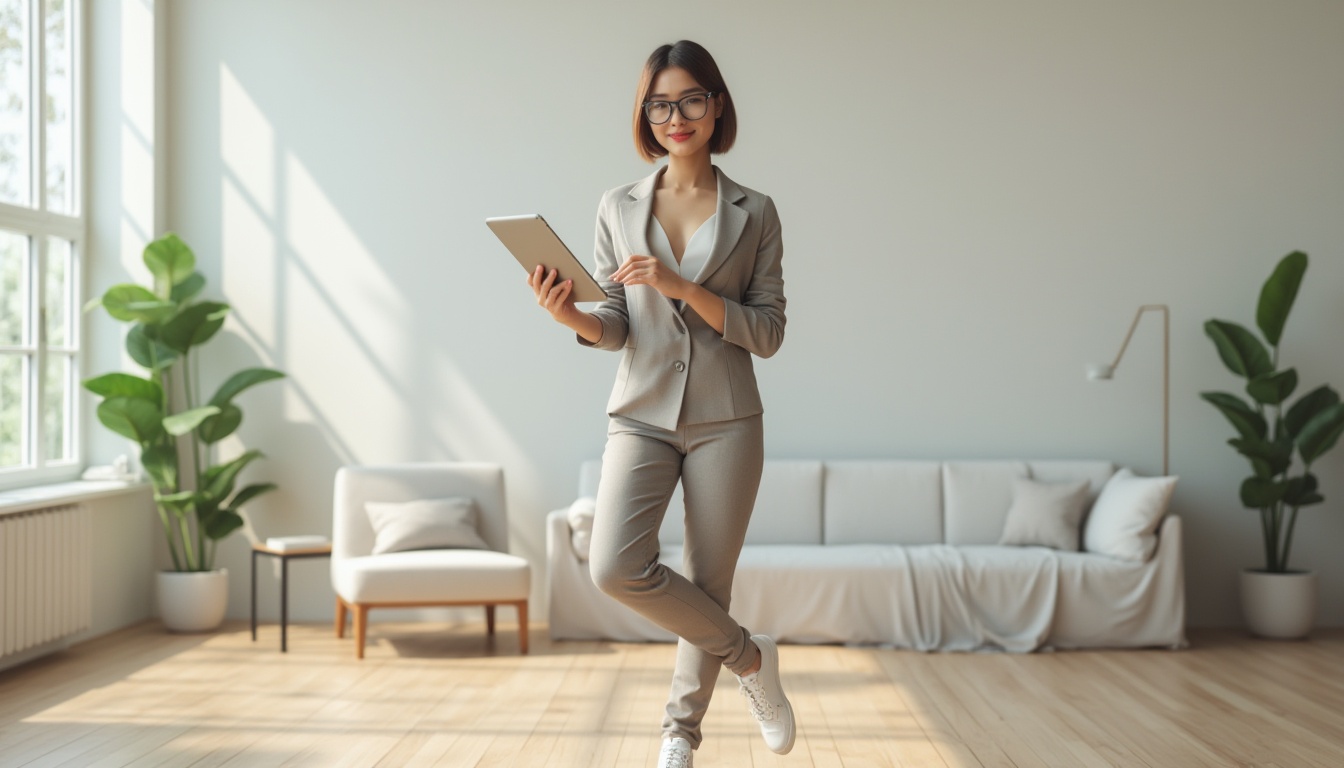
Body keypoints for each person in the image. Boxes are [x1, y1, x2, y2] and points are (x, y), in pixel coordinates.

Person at [527, 39, 793, 767]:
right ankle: (749, 659)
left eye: (691, 99)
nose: (677, 116)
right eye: (660, 103)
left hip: (728, 420)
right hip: (640, 411)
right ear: (646, 113)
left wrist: (686, 290)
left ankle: (680, 733)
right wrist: (570, 318)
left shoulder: (755, 212)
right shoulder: (618, 206)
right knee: (615, 565)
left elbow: (767, 332)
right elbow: (615, 322)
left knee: (709, 581)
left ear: (717, 105)